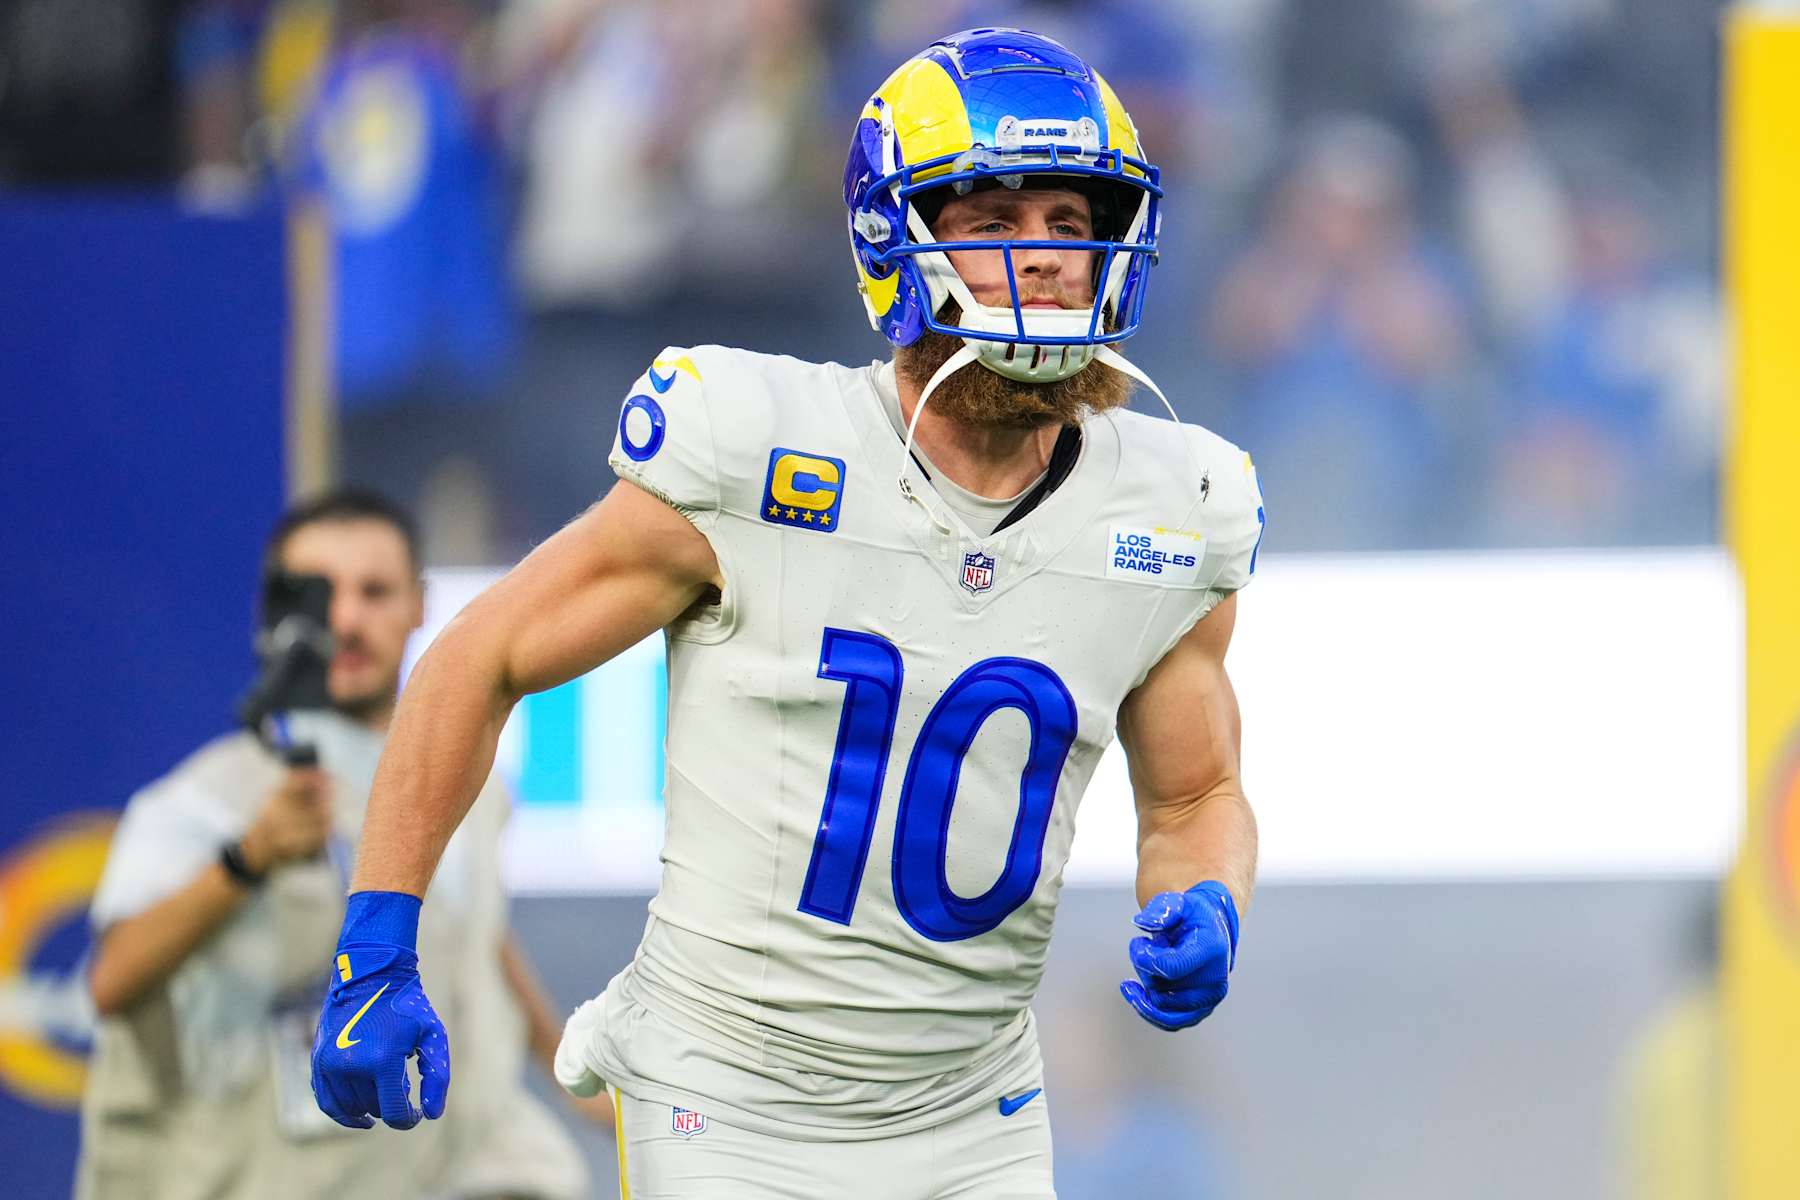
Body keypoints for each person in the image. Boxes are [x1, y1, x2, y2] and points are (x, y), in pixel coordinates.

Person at [313, 28, 1265, 1197]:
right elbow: (479, 657)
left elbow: (1196, 794)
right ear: (893, 238)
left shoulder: (1176, 502)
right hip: (729, 1094)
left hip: (975, 1110)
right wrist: (374, 942)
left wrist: (1206, 897)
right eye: (997, 222)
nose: (1049, 259)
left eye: (1072, 225)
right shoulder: (757, 449)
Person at [78, 488, 588, 1200]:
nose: (346, 620)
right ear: (275, 609)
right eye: (318, 594)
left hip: (448, 1167)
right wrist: (247, 858)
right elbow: (111, 980)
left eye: (374, 591)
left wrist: (571, 1072)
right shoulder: (204, 800)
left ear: (419, 603)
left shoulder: (473, 777)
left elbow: (467, 929)